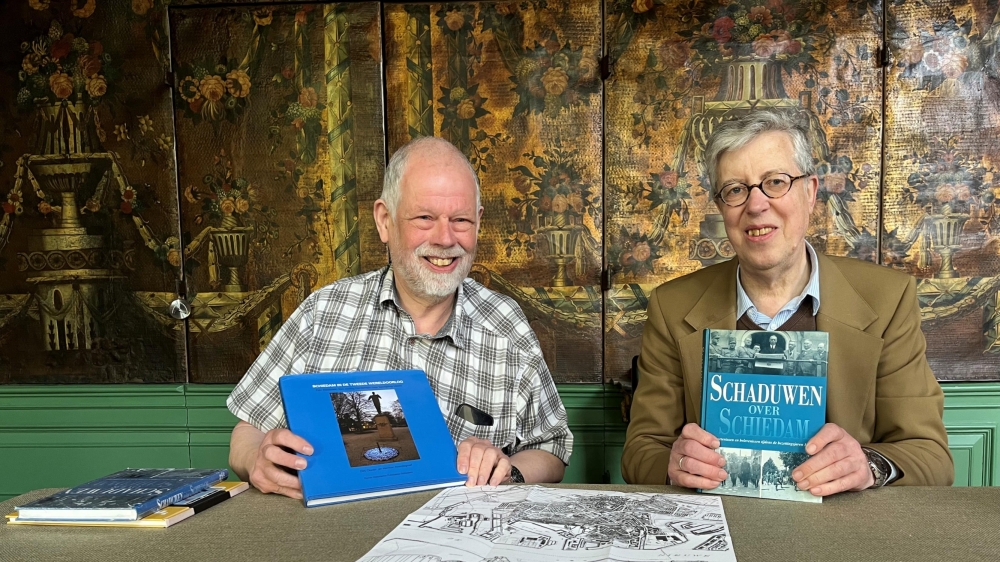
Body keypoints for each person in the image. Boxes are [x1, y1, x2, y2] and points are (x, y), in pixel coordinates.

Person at [622, 108, 953, 496]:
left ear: (810, 192)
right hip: (720, 528)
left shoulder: (887, 299)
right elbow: (640, 450)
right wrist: (675, 464)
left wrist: (868, 465)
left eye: (775, 182)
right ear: (721, 208)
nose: (756, 205)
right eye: (735, 190)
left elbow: (931, 456)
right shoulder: (672, 306)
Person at [227, 137, 573, 499]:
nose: (445, 238)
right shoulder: (323, 311)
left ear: (479, 222)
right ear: (385, 220)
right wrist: (255, 460)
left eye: (461, 220)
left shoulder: (506, 324)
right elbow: (246, 431)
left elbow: (552, 448)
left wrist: (509, 470)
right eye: (425, 218)